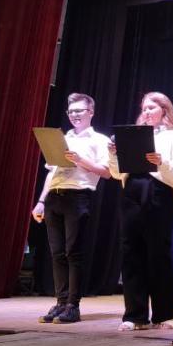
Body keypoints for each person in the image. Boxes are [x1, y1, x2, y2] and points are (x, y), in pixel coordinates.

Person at [108, 92, 173, 331]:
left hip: (159, 192)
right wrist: (113, 154)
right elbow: (116, 172)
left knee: (157, 253)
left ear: (164, 110)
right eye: (144, 108)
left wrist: (161, 162)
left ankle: (164, 313)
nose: (146, 112)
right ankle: (135, 315)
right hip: (132, 191)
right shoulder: (133, 136)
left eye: (151, 108)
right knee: (131, 252)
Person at [31, 93, 111, 324]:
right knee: (56, 253)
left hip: (78, 196)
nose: (74, 115)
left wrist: (79, 160)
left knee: (73, 252)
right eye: (71, 111)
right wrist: (41, 201)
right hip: (54, 196)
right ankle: (60, 302)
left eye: (79, 110)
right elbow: (52, 172)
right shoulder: (63, 138)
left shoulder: (100, 140)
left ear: (91, 112)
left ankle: (73, 306)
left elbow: (107, 172)